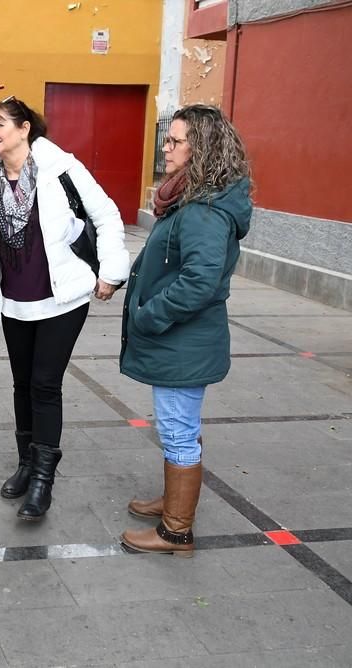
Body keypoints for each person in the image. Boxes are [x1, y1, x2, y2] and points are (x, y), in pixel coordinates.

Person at [0, 97, 130, 522]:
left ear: (24, 129)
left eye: (0, 125)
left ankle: (42, 480)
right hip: (13, 300)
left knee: (44, 384)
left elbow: (107, 215)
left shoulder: (62, 171)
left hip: (62, 298)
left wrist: (111, 270)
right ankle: (24, 464)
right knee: (21, 384)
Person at [119, 104, 251, 557]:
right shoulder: (190, 200)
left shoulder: (205, 212)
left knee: (176, 428)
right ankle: (171, 502)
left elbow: (201, 279)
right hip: (182, 342)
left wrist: (150, 315)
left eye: (175, 141)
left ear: (203, 150)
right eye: (167, 139)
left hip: (182, 341)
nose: (166, 148)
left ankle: (176, 531)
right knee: (179, 425)